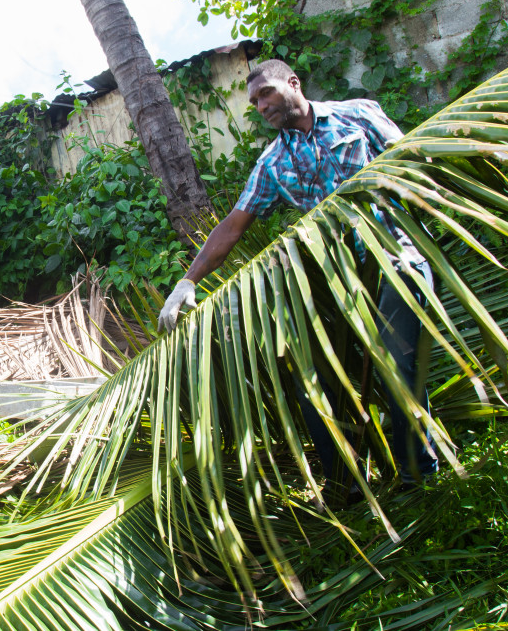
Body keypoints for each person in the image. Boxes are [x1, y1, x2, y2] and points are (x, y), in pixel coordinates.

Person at [156, 57, 437, 499]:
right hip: (341, 278)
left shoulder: (357, 114)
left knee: (397, 364)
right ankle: (345, 484)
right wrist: (187, 282)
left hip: (396, 255)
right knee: (308, 371)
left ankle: (418, 479)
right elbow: (233, 226)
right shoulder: (273, 163)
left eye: (266, 93)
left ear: (293, 83)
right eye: (254, 102)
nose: (261, 106)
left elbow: (412, 161)